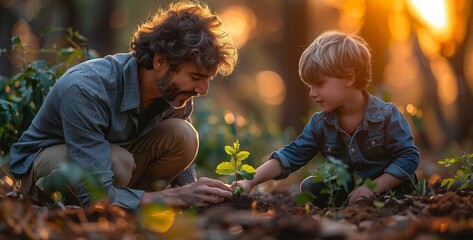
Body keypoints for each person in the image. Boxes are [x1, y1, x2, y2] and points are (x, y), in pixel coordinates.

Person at [8, 0, 238, 209]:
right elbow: (95, 196)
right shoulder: (87, 89)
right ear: (160, 61)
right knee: (118, 163)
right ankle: (92, 214)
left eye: (207, 79)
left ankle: (131, 211)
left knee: (184, 136)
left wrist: (199, 198)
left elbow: (183, 171)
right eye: (196, 77)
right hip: (42, 168)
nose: (202, 90)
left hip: (109, 167)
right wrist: (178, 196)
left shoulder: (174, 95)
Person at [234, 30, 420, 208]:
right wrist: (248, 181)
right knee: (310, 187)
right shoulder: (320, 123)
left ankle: (377, 200)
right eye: (309, 86)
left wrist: (372, 188)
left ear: (348, 78)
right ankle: (350, 203)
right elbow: (290, 156)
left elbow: (409, 156)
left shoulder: (387, 115)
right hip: (349, 186)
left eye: (319, 84)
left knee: (403, 183)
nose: (312, 93)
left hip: (388, 186)